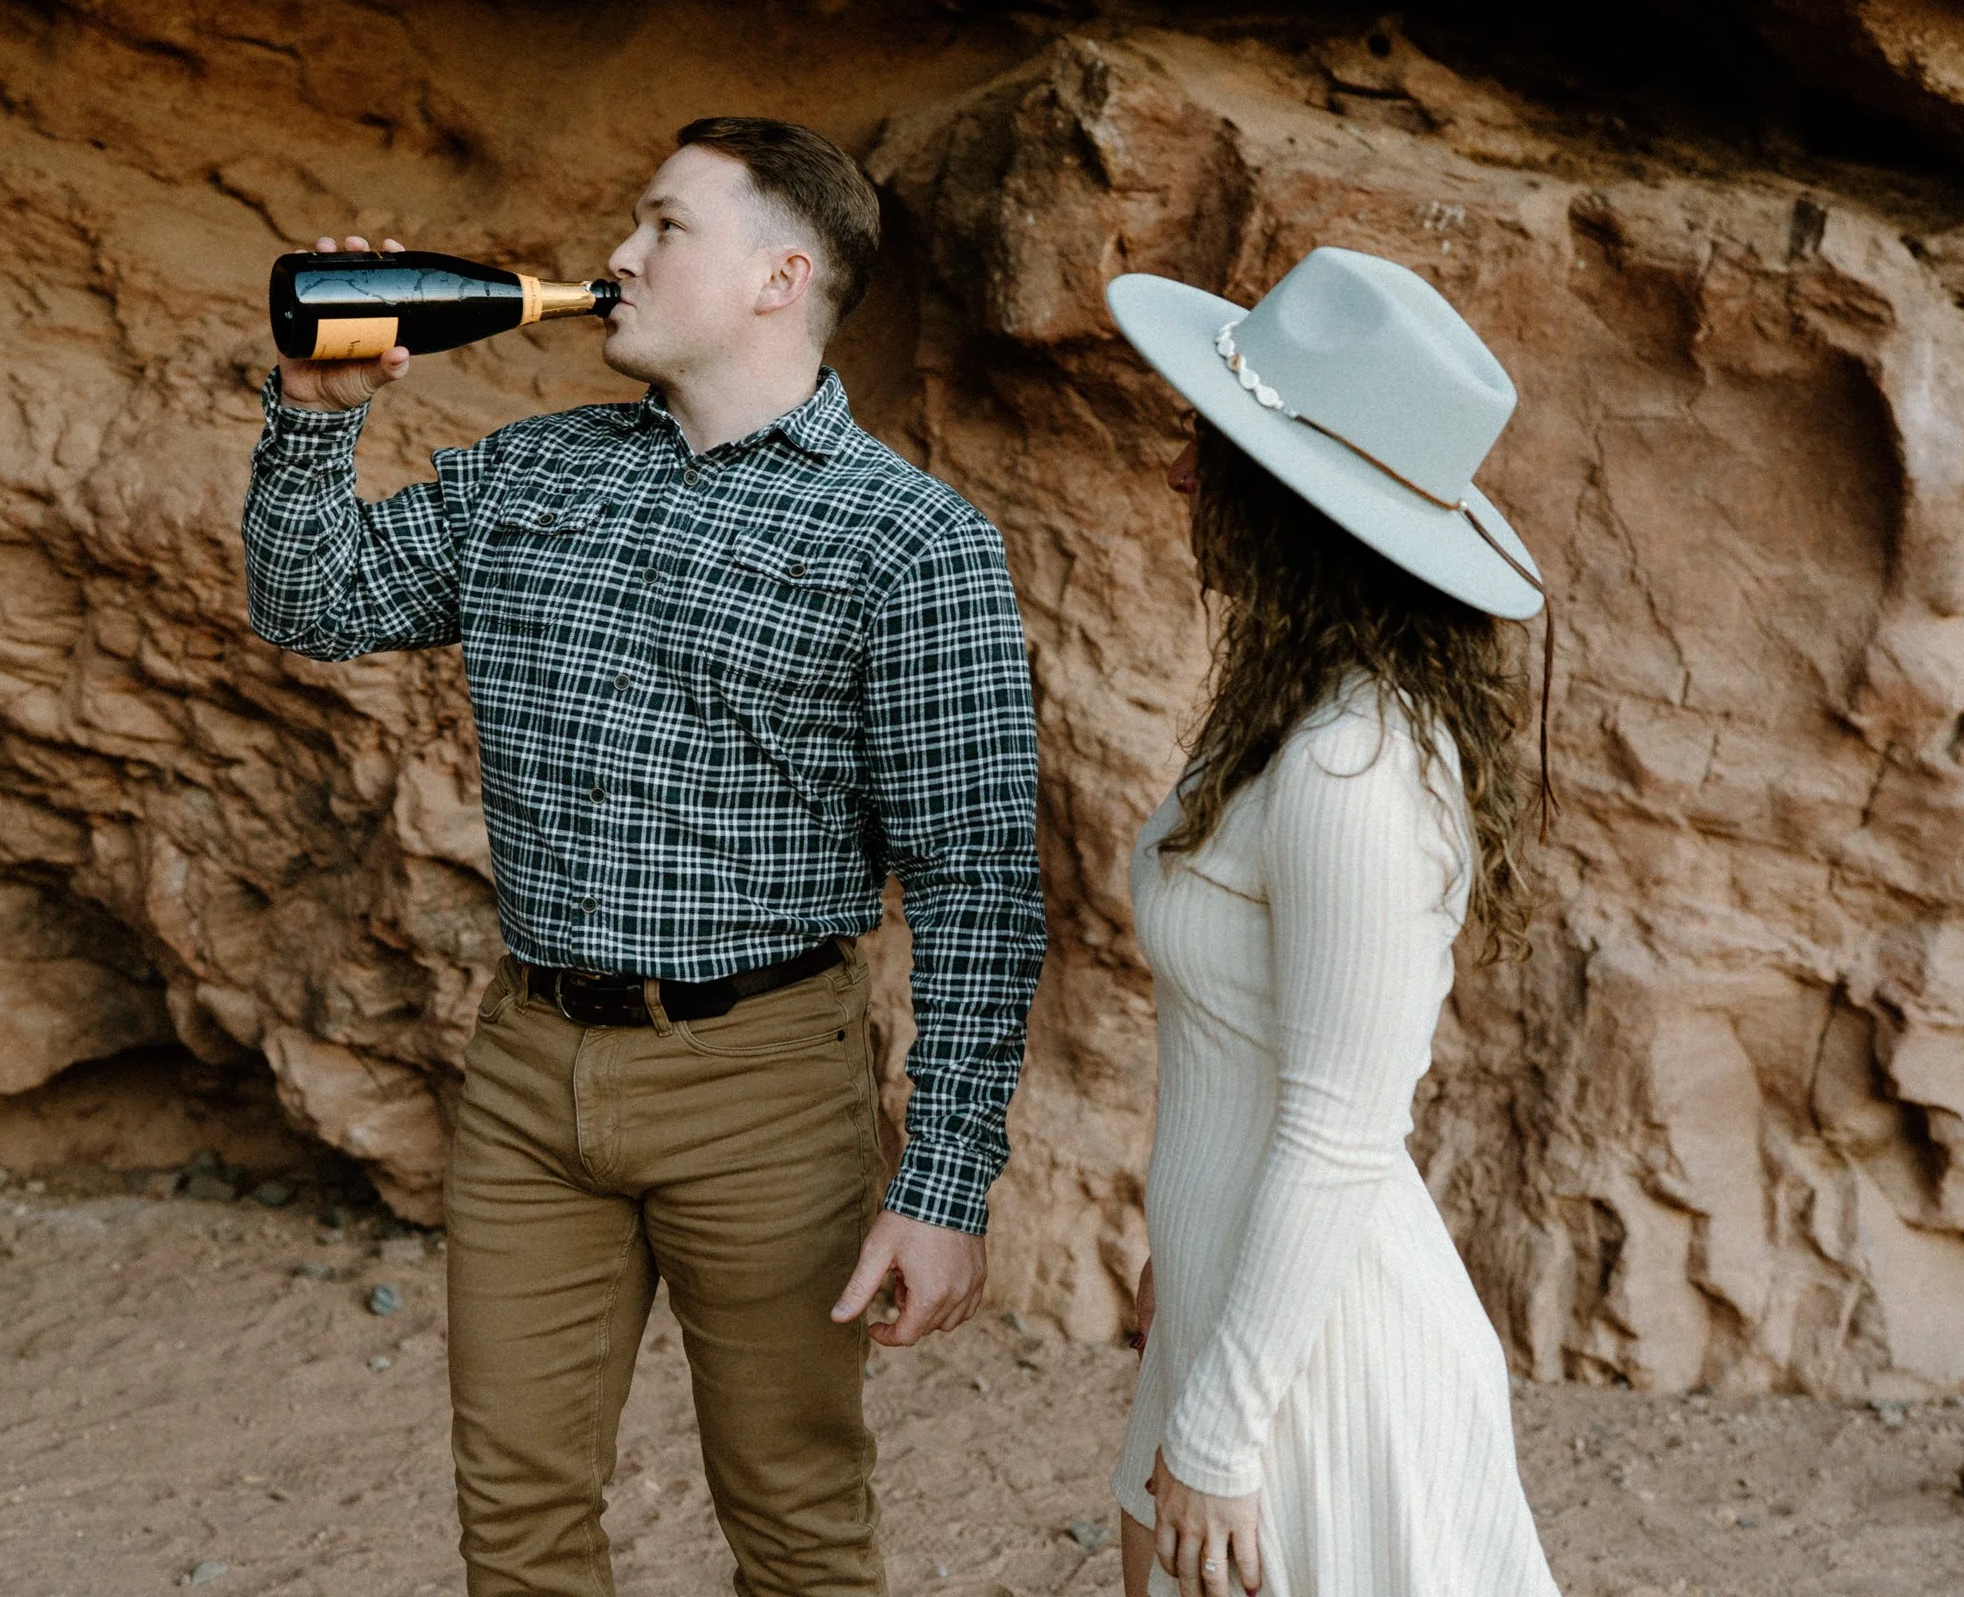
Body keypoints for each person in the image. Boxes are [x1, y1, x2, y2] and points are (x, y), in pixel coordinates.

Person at [239, 117, 1044, 1597]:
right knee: (520, 1514)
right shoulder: (530, 475)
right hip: (533, 1064)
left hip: (765, 1082)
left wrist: (946, 1181)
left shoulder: (912, 542)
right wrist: (313, 408)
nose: (617, 254)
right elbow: (312, 602)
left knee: (795, 1517)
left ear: (779, 276)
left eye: (666, 226)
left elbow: (979, 881)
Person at [1102, 247, 1561, 1597]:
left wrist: (1222, 1424)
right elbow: (1241, 1058)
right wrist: (1181, 1259)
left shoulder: (1352, 765)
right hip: (1244, 1312)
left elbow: (1343, 1125)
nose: (1181, 473)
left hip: (1319, 1377)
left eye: (1212, 443)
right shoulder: (1291, 718)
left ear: (1292, 505)